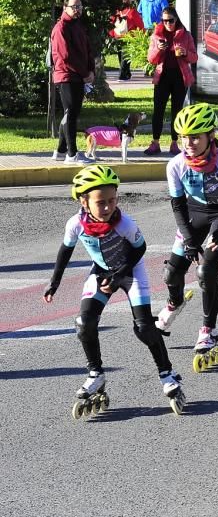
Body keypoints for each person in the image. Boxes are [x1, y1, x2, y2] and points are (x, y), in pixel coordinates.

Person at [43, 165, 186, 415]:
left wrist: (119, 274)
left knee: (143, 328)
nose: (109, 207)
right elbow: (65, 251)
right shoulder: (75, 224)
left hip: (131, 272)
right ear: (84, 202)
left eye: (113, 200)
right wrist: (54, 282)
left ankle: (167, 373)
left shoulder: (124, 223)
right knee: (84, 323)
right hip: (102, 272)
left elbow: (140, 249)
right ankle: (95, 373)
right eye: (101, 202)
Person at [155, 103, 218, 366]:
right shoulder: (176, 165)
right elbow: (177, 204)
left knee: (206, 271)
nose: (188, 143)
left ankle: (208, 331)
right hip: (196, 211)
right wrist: (190, 240)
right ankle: (174, 302)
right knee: (172, 273)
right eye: (183, 137)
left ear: (210, 136)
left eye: (195, 136)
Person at [51, 0, 96, 164]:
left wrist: (91, 71)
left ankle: (60, 151)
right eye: (74, 7)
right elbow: (66, 56)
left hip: (79, 76)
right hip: (67, 76)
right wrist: (85, 73)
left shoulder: (78, 26)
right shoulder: (61, 28)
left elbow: (87, 51)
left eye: (79, 7)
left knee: (71, 114)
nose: (77, 10)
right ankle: (72, 154)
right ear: (65, 8)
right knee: (70, 114)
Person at [144, 7, 197, 155]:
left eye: (170, 20)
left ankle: (174, 143)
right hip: (163, 76)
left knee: (177, 110)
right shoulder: (157, 35)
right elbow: (151, 59)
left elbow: (194, 57)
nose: (168, 23)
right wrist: (159, 49)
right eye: (164, 20)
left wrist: (185, 53)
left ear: (176, 19)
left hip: (180, 77)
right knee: (158, 110)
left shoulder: (185, 35)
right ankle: (155, 143)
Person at [109, 0, 144, 81]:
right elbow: (140, 25)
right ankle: (123, 75)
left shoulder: (116, 12)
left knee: (121, 56)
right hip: (129, 37)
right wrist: (140, 35)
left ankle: (126, 73)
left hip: (117, 36)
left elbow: (111, 23)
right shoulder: (132, 12)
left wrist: (112, 34)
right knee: (126, 57)